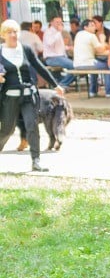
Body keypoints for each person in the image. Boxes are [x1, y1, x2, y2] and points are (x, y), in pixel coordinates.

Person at [0, 19, 66, 171]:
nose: (13, 35)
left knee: (32, 126)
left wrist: (55, 85)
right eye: (9, 32)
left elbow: (40, 67)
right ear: (3, 35)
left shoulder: (25, 49)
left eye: (15, 31)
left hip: (28, 95)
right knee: (7, 130)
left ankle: (36, 161)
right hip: (9, 97)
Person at [72, 18, 109, 97]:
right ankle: (109, 92)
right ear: (85, 27)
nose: (94, 27)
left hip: (77, 64)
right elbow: (100, 49)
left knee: (94, 67)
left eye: (94, 25)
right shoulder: (91, 36)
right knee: (108, 66)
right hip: (88, 63)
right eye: (92, 26)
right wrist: (103, 40)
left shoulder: (78, 34)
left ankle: (93, 91)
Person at [42, 16, 76, 89]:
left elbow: (59, 47)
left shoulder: (57, 32)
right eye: (57, 22)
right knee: (74, 66)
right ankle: (62, 85)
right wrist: (59, 32)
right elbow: (50, 43)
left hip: (60, 56)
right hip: (52, 58)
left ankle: (60, 84)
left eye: (60, 22)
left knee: (74, 66)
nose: (59, 24)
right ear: (51, 23)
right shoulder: (49, 32)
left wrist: (68, 48)